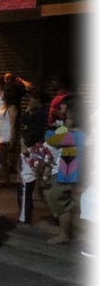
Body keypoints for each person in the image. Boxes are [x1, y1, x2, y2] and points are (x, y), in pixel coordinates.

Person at [43, 100, 86, 244]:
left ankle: (63, 234)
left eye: (67, 117)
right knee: (63, 203)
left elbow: (51, 140)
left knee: (61, 204)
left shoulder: (72, 135)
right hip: (70, 174)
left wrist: (59, 129)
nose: (64, 119)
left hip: (66, 174)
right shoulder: (82, 135)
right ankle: (66, 231)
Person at [17, 90, 49, 225]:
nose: (29, 101)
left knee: (26, 181)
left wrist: (27, 110)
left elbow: (24, 122)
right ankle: (25, 214)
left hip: (31, 149)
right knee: (26, 180)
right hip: (29, 147)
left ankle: (25, 217)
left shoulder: (40, 113)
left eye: (31, 99)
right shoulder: (39, 113)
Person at [0, 80, 19, 188]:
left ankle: (4, 179)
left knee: (0, 158)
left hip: (5, 135)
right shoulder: (3, 106)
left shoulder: (11, 108)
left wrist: (12, 137)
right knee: (1, 159)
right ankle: (3, 179)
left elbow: (13, 124)